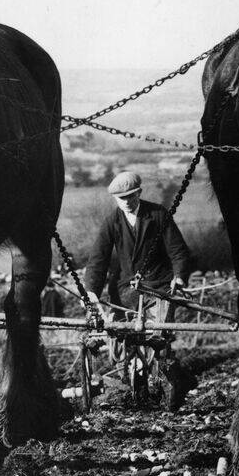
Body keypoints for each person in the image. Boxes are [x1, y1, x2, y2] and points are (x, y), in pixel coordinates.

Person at [84, 170, 194, 406]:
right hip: (125, 290)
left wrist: (180, 277)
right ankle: (130, 380)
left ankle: (161, 379)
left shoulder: (158, 214)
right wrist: (91, 290)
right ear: (115, 199)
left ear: (139, 193)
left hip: (159, 286)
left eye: (130, 196)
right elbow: (98, 259)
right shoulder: (112, 221)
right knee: (122, 337)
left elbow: (178, 250)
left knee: (158, 337)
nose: (126, 202)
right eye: (121, 198)